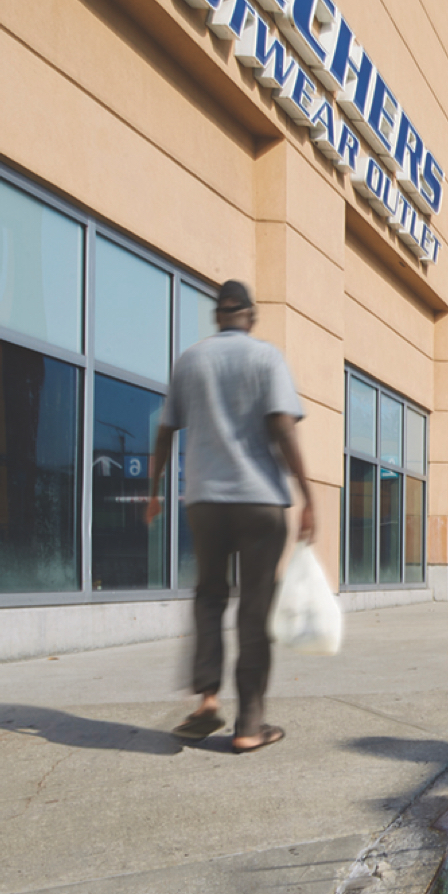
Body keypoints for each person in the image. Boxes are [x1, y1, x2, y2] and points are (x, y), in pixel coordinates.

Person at [146, 281, 316, 752]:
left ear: (218, 315)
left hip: (205, 503)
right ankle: (249, 725)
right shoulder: (266, 358)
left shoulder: (190, 360)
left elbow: (164, 433)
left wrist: (154, 491)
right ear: (251, 315)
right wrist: (308, 495)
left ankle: (206, 699)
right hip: (260, 502)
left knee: (209, 597)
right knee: (256, 610)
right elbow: (281, 427)